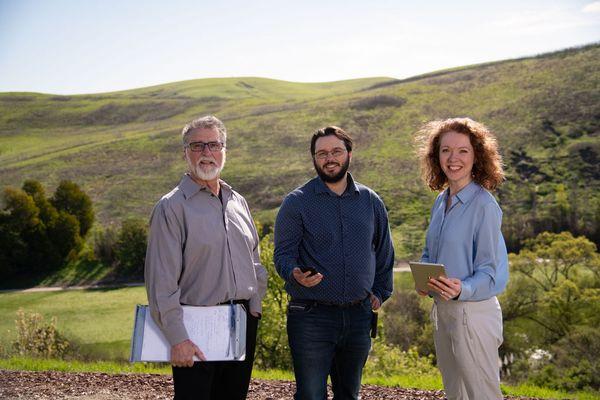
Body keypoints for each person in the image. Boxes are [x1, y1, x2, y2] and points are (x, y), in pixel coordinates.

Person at [144, 115, 267, 400]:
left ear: (224, 150)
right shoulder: (171, 207)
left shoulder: (238, 201)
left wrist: (255, 306)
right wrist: (178, 338)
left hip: (241, 323)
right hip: (195, 329)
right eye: (197, 146)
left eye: (213, 144)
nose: (206, 153)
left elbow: (255, 259)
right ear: (185, 152)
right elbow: (161, 282)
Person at [274, 126, 395, 400]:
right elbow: (282, 254)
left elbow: (385, 251)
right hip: (310, 317)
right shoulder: (296, 203)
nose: (330, 158)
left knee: (349, 395)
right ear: (314, 159)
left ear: (349, 154)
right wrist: (295, 274)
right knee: (311, 395)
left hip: (358, 317)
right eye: (322, 153)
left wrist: (380, 292)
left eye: (336, 151)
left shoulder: (370, 201)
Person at [416, 117, 509, 400]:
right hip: (443, 311)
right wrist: (424, 279)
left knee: (482, 395)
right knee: (455, 394)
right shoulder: (440, 202)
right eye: (446, 150)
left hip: (474, 314)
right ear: (436, 156)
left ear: (477, 156)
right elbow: (431, 253)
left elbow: (491, 273)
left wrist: (462, 289)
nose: (453, 158)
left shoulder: (484, 205)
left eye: (462, 151)